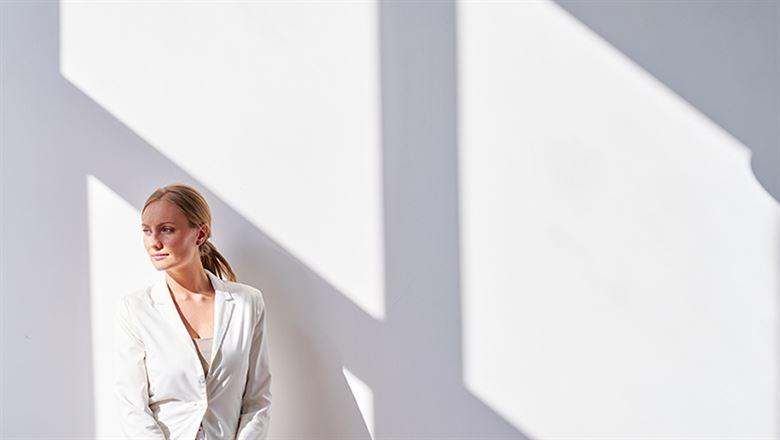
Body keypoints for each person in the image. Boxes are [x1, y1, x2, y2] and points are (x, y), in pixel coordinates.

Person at [114, 183, 272, 439]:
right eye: (146, 231)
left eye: (167, 230)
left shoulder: (247, 303)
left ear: (200, 235)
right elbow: (133, 406)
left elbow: (257, 399)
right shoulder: (136, 309)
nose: (153, 242)